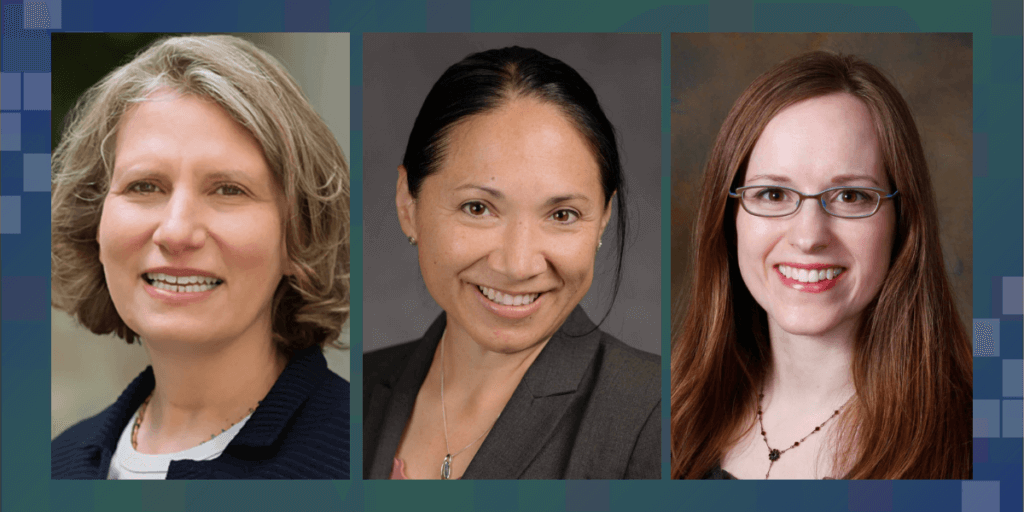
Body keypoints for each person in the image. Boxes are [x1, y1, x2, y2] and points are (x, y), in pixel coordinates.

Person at [50, 35, 350, 479]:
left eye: (228, 189)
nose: (176, 232)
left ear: (299, 234)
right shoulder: (54, 465)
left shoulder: (360, 459)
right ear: (94, 221)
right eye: (145, 186)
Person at [670, 51, 972, 480]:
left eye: (850, 196)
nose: (809, 236)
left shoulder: (983, 443)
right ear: (729, 216)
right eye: (773, 194)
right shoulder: (664, 418)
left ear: (903, 221)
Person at [363, 46, 660, 480]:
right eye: (478, 208)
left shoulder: (655, 415)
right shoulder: (359, 389)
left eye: (562, 215)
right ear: (408, 203)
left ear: (603, 220)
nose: (518, 265)